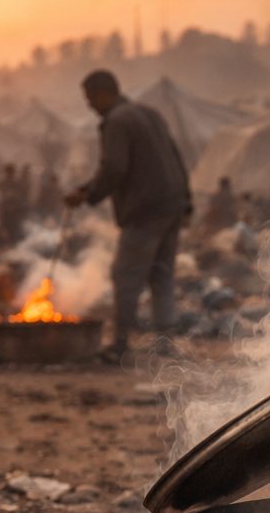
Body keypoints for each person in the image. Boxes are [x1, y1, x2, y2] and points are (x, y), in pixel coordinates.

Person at [63, 69, 191, 359]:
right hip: (172, 205)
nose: (89, 105)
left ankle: (120, 345)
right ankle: (165, 342)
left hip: (145, 209)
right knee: (161, 275)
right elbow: (176, 158)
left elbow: (115, 168)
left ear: (104, 93)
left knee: (125, 275)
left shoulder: (117, 121)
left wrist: (88, 196)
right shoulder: (149, 114)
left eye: (90, 98)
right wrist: (187, 203)